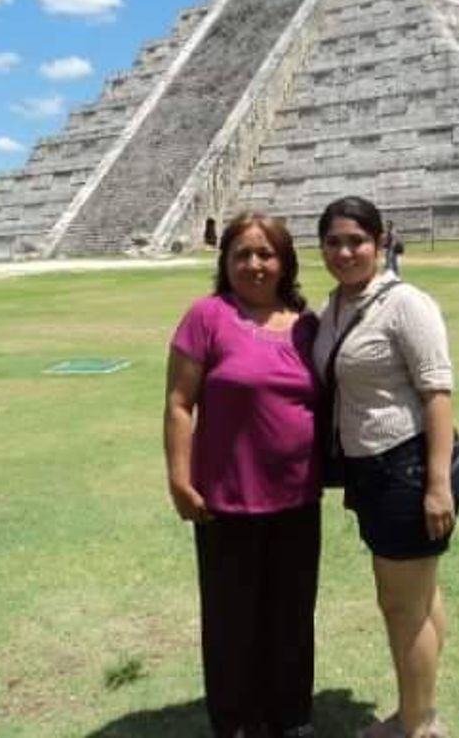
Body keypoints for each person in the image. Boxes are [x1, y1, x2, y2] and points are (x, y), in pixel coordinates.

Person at [313, 196, 459, 738]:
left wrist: (436, 486)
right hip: (372, 470)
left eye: (357, 240)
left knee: (400, 605)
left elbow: (438, 390)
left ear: (380, 242)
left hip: (410, 466)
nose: (345, 251)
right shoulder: (333, 306)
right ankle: (424, 712)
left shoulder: (407, 304)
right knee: (419, 598)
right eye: (333, 241)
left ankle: (415, 724)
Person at [163, 213, 321, 738]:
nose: (254, 265)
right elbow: (180, 403)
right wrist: (179, 479)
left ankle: (290, 716)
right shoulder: (206, 317)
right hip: (225, 500)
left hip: (297, 497)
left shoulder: (307, 324)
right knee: (231, 621)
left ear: (285, 262)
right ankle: (234, 721)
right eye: (242, 255)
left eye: (266, 254)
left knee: (292, 616)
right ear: (225, 261)